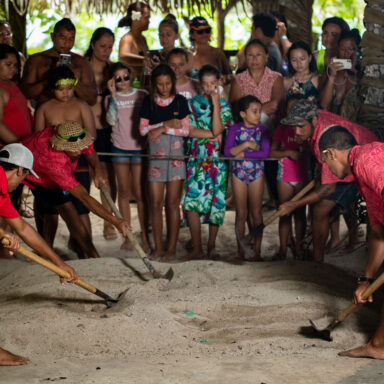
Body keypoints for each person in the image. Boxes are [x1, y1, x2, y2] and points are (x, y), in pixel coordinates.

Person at [0, 143, 78, 366]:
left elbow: (24, 230)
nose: (21, 184)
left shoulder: (3, 192)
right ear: (19, 170)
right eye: (24, 177)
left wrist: (59, 263)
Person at [278, 99, 377, 262]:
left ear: (314, 120)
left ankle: (318, 261)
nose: (296, 132)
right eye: (293, 126)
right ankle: (320, 256)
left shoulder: (325, 140)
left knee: (319, 209)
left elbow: (328, 188)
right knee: (319, 205)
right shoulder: (314, 119)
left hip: (363, 163)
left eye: (301, 126)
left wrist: (294, 204)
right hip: (351, 159)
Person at [319, 125, 384, 359]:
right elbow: (378, 234)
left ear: (331, 153)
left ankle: (378, 346)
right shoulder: (360, 174)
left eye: (325, 162)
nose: (327, 167)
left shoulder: (368, 159)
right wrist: (365, 280)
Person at [21, 120, 130, 259]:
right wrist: (114, 220)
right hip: (30, 170)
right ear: (61, 145)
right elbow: (83, 197)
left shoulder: (76, 136)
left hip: (42, 165)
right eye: (74, 149)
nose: (80, 150)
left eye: (81, 146)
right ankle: (90, 255)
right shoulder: (53, 163)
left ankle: (88, 254)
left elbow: (90, 152)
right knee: (67, 209)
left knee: (59, 208)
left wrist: (97, 170)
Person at [33, 65, 97, 254]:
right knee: (50, 209)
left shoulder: (81, 105)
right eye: (61, 89)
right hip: (52, 167)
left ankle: (86, 248)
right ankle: (47, 248)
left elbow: (91, 135)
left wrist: (73, 143)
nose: (66, 93)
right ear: (52, 89)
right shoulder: (44, 108)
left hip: (79, 163)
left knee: (82, 206)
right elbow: (38, 140)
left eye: (69, 88)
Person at [139, 64, 190, 261]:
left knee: (172, 204)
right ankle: (158, 248)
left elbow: (185, 131)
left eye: (168, 83)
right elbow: (143, 131)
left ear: (173, 82)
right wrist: (166, 125)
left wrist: (158, 130)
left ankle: (171, 249)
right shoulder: (148, 102)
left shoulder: (180, 102)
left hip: (176, 158)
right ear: (154, 85)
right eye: (160, 84)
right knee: (155, 204)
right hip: (156, 160)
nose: (164, 87)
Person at [182, 64, 233, 260]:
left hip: (217, 161)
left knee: (216, 202)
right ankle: (197, 247)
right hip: (197, 159)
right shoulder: (191, 104)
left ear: (219, 82)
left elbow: (220, 128)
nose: (210, 88)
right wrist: (213, 134)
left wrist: (216, 104)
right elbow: (190, 130)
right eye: (206, 84)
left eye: (213, 83)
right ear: (200, 84)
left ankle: (211, 245)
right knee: (192, 202)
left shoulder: (224, 105)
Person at [105, 62, 149, 251]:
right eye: (118, 78)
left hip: (139, 147)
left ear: (131, 76)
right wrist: (113, 96)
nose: (123, 81)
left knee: (140, 193)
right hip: (119, 148)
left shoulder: (142, 95)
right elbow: (111, 120)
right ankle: (128, 236)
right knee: (123, 192)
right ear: (112, 81)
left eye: (126, 77)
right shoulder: (109, 99)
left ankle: (145, 236)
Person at [224, 95, 269, 261]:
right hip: (238, 174)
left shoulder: (263, 130)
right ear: (243, 114)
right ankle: (240, 251)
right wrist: (247, 145)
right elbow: (228, 152)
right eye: (254, 111)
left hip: (257, 173)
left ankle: (257, 251)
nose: (258, 115)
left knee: (256, 212)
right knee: (241, 213)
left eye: (259, 112)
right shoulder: (235, 129)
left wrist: (241, 153)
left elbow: (264, 153)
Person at [84, 27, 118, 240]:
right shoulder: (80, 67)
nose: (106, 51)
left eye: (110, 47)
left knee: (107, 177)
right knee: (83, 177)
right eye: (102, 46)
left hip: (106, 129)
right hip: (85, 128)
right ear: (93, 44)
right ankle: (82, 226)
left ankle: (108, 222)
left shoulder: (113, 70)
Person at [20, 18, 97, 107]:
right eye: (63, 37)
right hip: (46, 115)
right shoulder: (36, 60)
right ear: (52, 36)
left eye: (71, 39)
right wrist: (50, 77)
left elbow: (92, 99)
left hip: (73, 116)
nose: (67, 43)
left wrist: (71, 79)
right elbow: (24, 94)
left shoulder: (81, 62)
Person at [269, 96, 310, 259]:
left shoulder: (307, 128)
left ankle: (299, 249)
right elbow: (272, 152)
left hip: (303, 175)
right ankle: (283, 249)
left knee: (300, 212)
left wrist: (304, 149)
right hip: (285, 175)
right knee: (284, 212)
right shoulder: (282, 128)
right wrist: (288, 153)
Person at [0, 44, 33, 218]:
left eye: (15, 65)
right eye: (8, 64)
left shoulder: (12, 85)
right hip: (10, 155)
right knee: (6, 205)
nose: (13, 68)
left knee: (13, 201)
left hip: (20, 152)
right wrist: (19, 147)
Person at [230, 39, 283, 122]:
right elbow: (236, 110)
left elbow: (275, 105)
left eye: (258, 55)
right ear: (245, 58)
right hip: (245, 128)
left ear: (266, 57)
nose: (254, 59)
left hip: (271, 128)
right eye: (250, 55)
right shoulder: (238, 80)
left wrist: (249, 114)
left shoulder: (276, 78)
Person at [320, 29, 361, 121]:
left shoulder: (363, 74)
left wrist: (354, 70)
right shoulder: (330, 70)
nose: (346, 53)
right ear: (338, 49)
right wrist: (332, 76)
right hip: (331, 123)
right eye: (342, 49)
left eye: (351, 49)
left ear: (358, 51)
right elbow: (323, 104)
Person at [188, 17, 231, 83]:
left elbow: (228, 76)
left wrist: (224, 78)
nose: (204, 34)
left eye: (207, 31)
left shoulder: (218, 52)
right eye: (200, 32)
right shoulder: (187, 54)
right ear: (192, 35)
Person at [118, 1, 151, 87]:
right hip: (129, 87)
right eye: (146, 17)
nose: (149, 21)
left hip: (142, 86)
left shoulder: (143, 39)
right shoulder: (127, 38)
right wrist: (145, 60)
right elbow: (123, 56)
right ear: (136, 18)